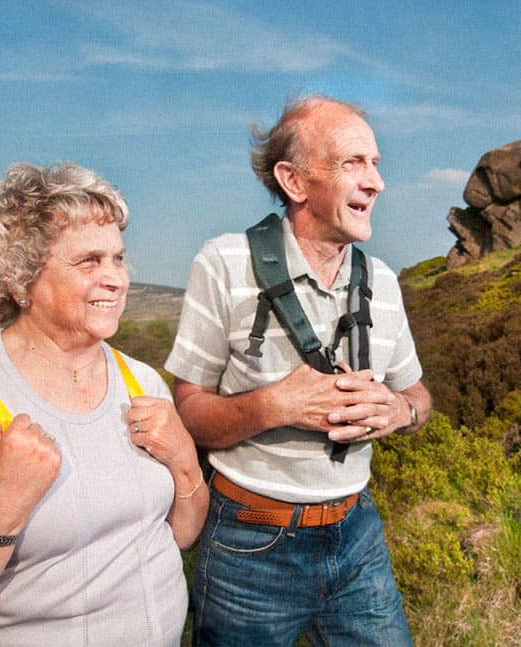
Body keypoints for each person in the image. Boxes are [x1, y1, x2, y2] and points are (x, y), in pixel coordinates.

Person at [0, 162, 207, 646]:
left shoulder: (144, 382)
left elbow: (179, 536)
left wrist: (185, 462)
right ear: (19, 279)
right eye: (89, 261)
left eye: (118, 257)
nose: (116, 279)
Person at [165, 95, 432, 645]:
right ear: (293, 181)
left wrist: (398, 410)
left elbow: (420, 398)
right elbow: (188, 413)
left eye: (376, 164)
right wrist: (272, 405)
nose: (375, 182)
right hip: (250, 546)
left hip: (358, 534)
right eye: (352, 163)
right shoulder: (223, 263)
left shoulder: (381, 280)